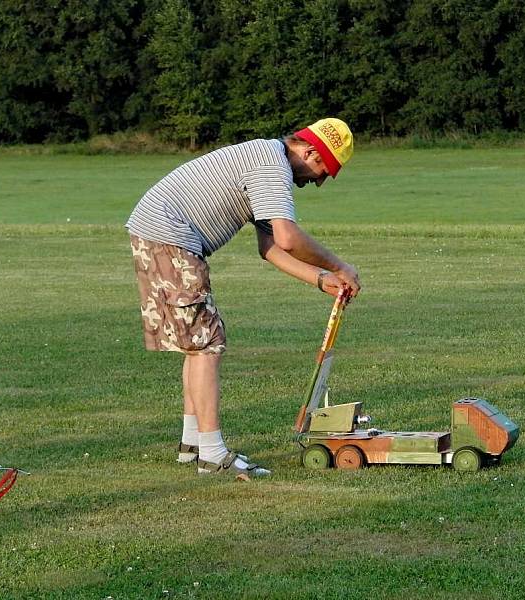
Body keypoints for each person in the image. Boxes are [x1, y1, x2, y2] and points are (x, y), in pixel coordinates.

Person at [126, 118, 361, 479]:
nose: (320, 181)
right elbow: (288, 238)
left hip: (160, 234)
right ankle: (213, 455)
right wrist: (340, 266)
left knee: (198, 343)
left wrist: (321, 279)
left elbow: (270, 248)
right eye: (324, 169)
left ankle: (194, 446)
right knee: (206, 344)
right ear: (310, 150)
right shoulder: (272, 164)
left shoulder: (268, 160)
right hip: (169, 236)